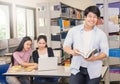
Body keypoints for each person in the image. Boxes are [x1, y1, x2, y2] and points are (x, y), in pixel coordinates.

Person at [63, 6, 109, 84]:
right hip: (77, 69)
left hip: (94, 70)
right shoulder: (73, 31)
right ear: (85, 17)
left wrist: (95, 58)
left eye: (95, 17)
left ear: (97, 19)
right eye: (90, 16)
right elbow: (65, 46)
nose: (92, 19)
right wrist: (72, 52)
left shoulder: (101, 34)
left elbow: (105, 53)